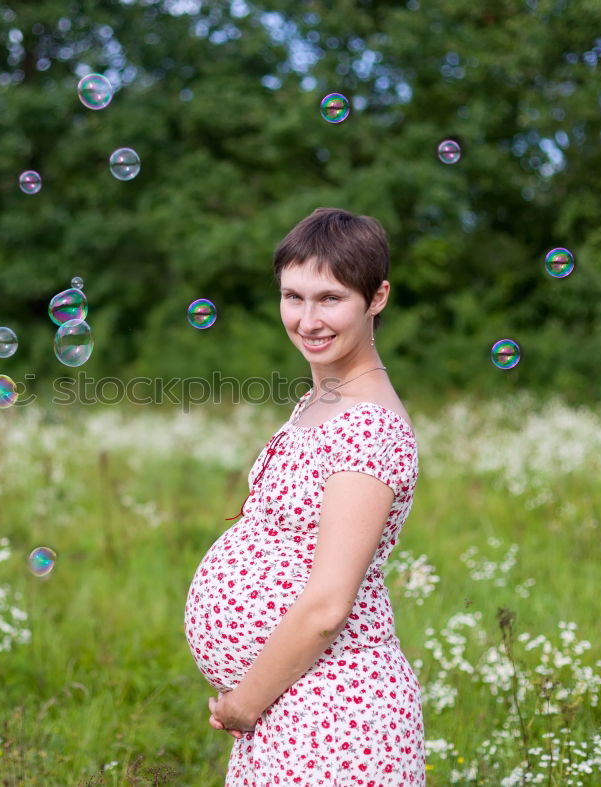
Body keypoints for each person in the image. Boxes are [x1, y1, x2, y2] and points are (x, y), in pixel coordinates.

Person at [183, 207, 425, 785]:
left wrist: (245, 701)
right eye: (293, 297)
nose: (308, 319)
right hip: (294, 710)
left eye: (330, 298)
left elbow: (326, 606)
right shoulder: (324, 400)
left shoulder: (369, 427)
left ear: (377, 297)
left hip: (335, 717)